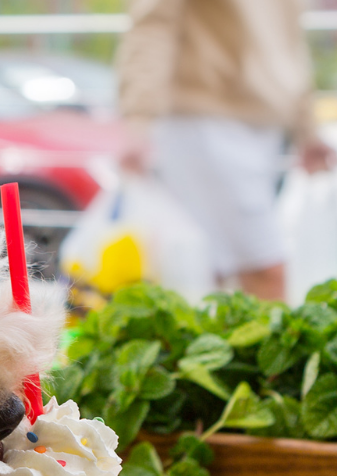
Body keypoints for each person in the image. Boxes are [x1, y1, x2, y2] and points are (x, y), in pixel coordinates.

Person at [117, 0, 334, 300]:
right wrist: (139, 118)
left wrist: (305, 127)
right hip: (202, 118)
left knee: (214, 272)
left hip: (264, 121)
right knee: (263, 270)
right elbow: (154, 23)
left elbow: (287, 39)